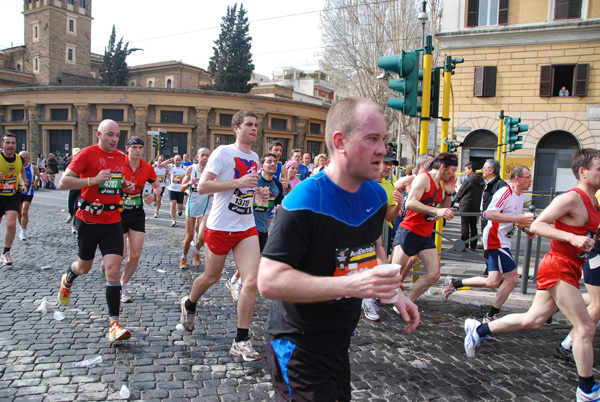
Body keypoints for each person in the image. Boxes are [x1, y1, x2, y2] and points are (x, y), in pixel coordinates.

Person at [257, 97, 419, 401]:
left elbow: (371, 249)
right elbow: (268, 281)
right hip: (298, 343)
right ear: (340, 142)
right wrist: (352, 284)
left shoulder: (374, 193)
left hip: (340, 340)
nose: (383, 149)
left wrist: (392, 292)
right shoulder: (302, 201)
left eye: (383, 138)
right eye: (372, 138)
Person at [463, 149, 600, 402]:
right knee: (585, 328)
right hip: (557, 265)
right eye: (599, 168)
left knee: (534, 319)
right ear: (583, 171)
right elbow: (538, 225)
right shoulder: (572, 197)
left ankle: (479, 330)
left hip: (571, 266)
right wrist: (571, 237)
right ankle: (588, 390)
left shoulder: (594, 202)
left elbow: (589, 232)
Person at [179, 110, 269, 362]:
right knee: (212, 276)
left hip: (246, 226)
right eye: (249, 124)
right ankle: (189, 304)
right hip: (220, 227)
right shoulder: (222, 152)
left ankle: (241, 340)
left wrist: (257, 195)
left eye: (256, 125)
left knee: (251, 281)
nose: (254, 129)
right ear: (236, 128)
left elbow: (245, 190)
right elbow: (203, 186)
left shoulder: (253, 156)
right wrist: (237, 182)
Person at [57, 119, 135, 342]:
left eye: (117, 135)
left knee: (112, 269)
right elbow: (64, 182)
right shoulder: (85, 154)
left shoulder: (122, 157)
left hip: (113, 221)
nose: (113, 139)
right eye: (109, 134)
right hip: (88, 220)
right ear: (98, 135)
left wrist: (126, 186)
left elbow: (120, 183)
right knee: (84, 267)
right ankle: (68, 278)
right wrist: (92, 179)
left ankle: (114, 324)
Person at [442, 166, 535, 322]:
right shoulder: (505, 192)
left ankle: (454, 283)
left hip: (504, 239)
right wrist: (518, 220)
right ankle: (492, 315)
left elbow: (514, 218)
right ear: (517, 178)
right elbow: (489, 214)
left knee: (492, 282)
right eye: (528, 177)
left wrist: (524, 228)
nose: (531, 180)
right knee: (513, 279)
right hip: (495, 238)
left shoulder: (520, 196)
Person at [390, 153, 457, 302]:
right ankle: (371, 299)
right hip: (409, 231)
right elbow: (410, 203)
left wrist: (449, 193)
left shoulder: (440, 183)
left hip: (425, 234)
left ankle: (408, 302)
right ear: (442, 167)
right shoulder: (424, 178)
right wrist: (435, 210)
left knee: (434, 274)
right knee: (393, 275)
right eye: (452, 170)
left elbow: (442, 212)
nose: (454, 174)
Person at [226, 152, 284, 301]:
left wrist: (279, 208)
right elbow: (236, 199)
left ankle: (234, 279)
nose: (272, 164)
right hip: (248, 226)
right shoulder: (253, 181)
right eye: (269, 161)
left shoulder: (277, 185)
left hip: (263, 227)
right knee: (254, 260)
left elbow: (279, 203)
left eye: (275, 162)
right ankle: (238, 284)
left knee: (255, 260)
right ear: (261, 165)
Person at [556, 188, 600, 362]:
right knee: (598, 304)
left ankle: (559, 301)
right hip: (595, 250)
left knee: (593, 298)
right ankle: (567, 345)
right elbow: (594, 226)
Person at [118, 136, 161, 303]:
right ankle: (106, 264)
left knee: (135, 254)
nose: (137, 150)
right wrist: (121, 183)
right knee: (120, 255)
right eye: (134, 147)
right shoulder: (119, 163)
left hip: (136, 213)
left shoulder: (147, 167)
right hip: (119, 213)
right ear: (127, 148)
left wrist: (153, 195)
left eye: (140, 147)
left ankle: (122, 285)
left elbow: (157, 186)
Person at [362, 149, 403, 321]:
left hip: (374, 234)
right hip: (352, 233)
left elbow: (388, 216)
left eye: (391, 165)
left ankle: (368, 299)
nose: (389, 168)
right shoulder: (362, 182)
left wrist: (397, 205)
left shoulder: (388, 185)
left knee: (380, 266)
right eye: (386, 163)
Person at [178, 147, 212, 270]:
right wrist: (189, 184)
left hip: (206, 206)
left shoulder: (212, 172)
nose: (205, 157)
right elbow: (181, 188)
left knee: (202, 237)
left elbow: (216, 188)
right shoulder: (191, 169)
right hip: (191, 206)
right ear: (197, 157)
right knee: (189, 237)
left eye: (207, 155)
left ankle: (196, 252)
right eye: (203, 155)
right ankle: (183, 256)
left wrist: (213, 191)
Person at [0, 133, 29, 265]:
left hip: (12, 195)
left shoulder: (19, 159)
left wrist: (23, 183)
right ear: (2, 144)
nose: (10, 145)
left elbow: (22, 171)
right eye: (7, 143)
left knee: (11, 224)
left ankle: (6, 252)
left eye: (13, 143)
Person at [455, 162, 485, 251]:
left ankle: (463, 245)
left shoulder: (468, 180)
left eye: (466, 169)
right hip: (476, 206)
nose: (465, 171)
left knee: (465, 226)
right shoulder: (481, 180)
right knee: (473, 226)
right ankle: (473, 245)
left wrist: (457, 200)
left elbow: (460, 192)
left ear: (471, 169)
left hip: (466, 206)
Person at [18, 151, 40, 241]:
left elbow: (38, 176)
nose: (24, 159)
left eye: (25, 157)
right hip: (18, 192)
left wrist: (36, 181)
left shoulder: (32, 167)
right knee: (19, 212)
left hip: (29, 192)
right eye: (22, 157)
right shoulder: (17, 166)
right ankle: (22, 227)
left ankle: (23, 230)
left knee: (24, 211)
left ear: (29, 158)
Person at [159, 155, 186, 227]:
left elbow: (187, 176)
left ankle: (180, 210)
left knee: (180, 206)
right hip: (172, 189)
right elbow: (161, 164)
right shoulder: (171, 167)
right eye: (176, 160)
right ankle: (173, 220)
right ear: (174, 160)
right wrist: (169, 160)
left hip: (180, 189)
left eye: (179, 160)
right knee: (173, 203)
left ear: (181, 161)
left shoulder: (184, 168)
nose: (177, 161)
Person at [65, 148, 81, 233]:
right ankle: (70, 214)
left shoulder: (83, 164)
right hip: (72, 188)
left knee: (77, 207)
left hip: (81, 188)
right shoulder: (69, 164)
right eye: (75, 155)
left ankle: (74, 225)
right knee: (71, 205)